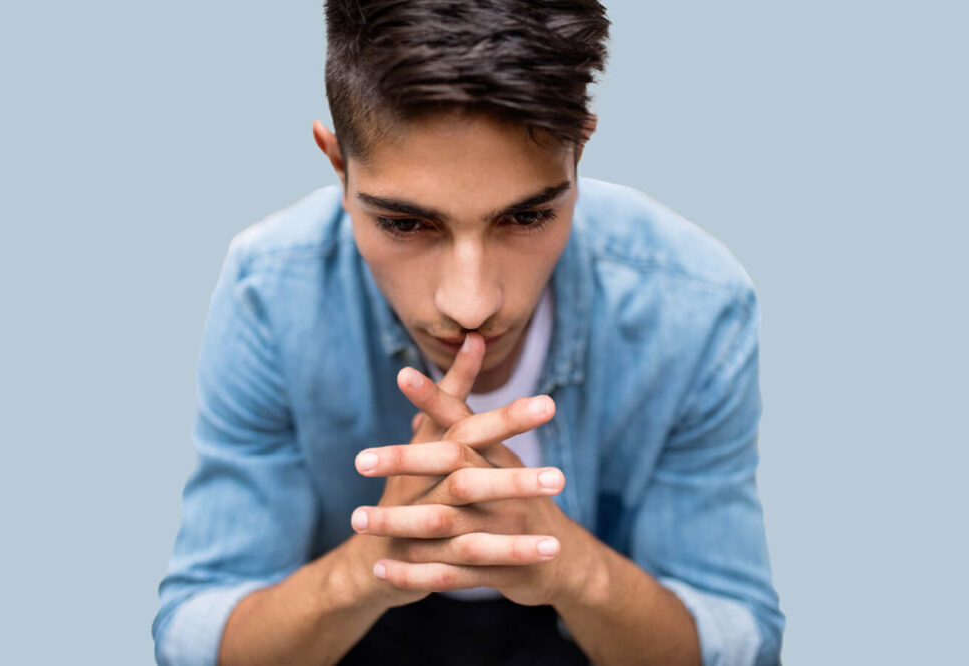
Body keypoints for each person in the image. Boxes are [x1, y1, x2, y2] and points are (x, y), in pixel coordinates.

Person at [152, 1, 785, 664]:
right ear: (339, 167)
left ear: (580, 153)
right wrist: (370, 562)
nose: (472, 303)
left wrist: (570, 567)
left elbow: (739, 640)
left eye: (528, 217)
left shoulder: (694, 302)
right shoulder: (272, 292)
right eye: (405, 224)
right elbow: (194, 636)